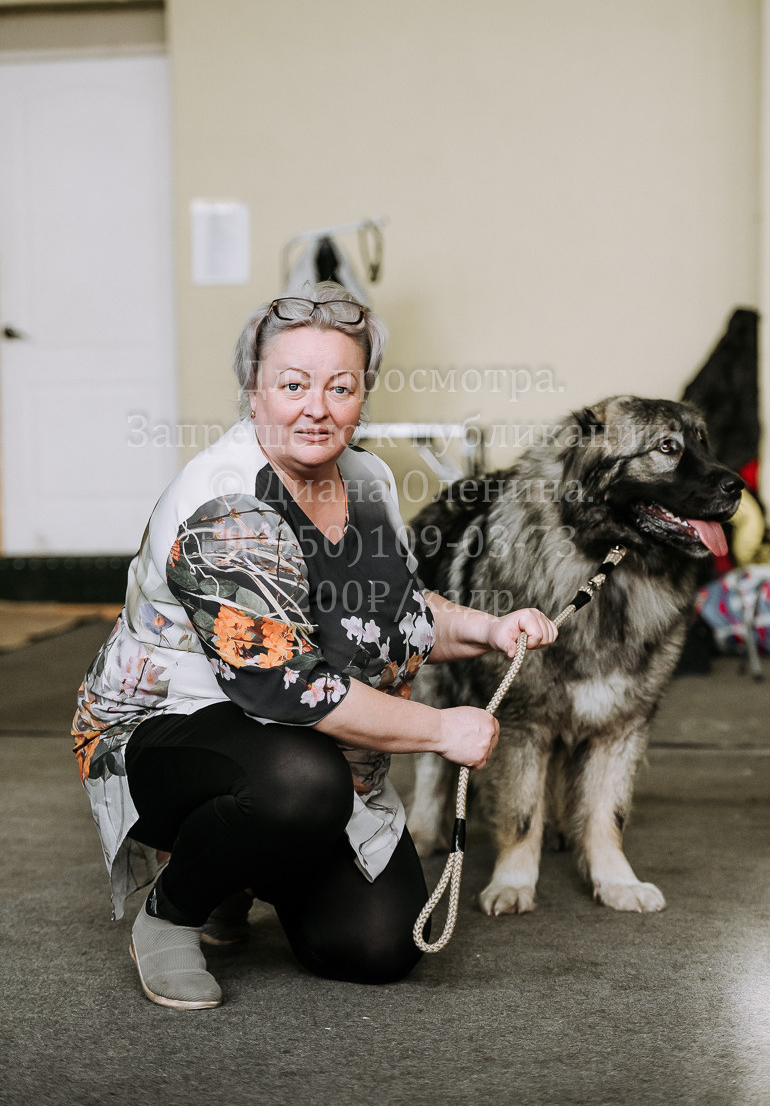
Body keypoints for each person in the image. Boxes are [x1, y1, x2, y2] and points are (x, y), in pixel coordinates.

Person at [72, 281, 557, 1010]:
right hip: (170, 734)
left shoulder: (367, 479)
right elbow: (290, 688)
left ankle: (245, 861)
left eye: (341, 386)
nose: (316, 407)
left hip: (302, 749)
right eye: (292, 384)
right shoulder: (227, 506)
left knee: (375, 948)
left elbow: (398, 612)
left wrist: (487, 629)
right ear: (253, 389)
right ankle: (173, 910)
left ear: (363, 394)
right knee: (298, 784)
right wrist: (440, 730)